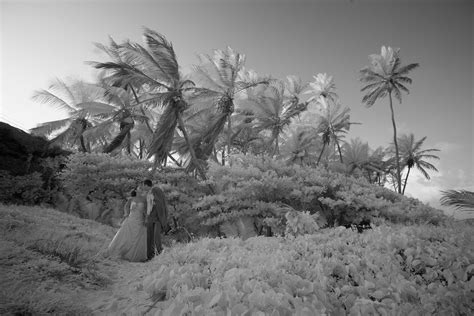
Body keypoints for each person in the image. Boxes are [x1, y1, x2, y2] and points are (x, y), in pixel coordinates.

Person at [106, 186, 148, 262]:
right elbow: (126, 207)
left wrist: (145, 219)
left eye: (142, 189)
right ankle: (122, 252)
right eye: (139, 188)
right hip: (131, 219)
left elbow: (146, 210)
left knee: (137, 238)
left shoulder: (144, 200)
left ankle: (133, 256)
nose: (141, 190)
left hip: (139, 220)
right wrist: (126, 213)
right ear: (136, 190)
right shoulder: (131, 199)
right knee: (125, 236)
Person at [142, 179, 169, 260]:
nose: (143, 187)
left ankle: (161, 254)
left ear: (146, 185)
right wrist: (146, 217)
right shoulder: (147, 194)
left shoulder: (156, 190)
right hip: (150, 218)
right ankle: (150, 256)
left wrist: (162, 218)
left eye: (143, 185)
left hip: (157, 218)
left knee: (156, 236)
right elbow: (148, 207)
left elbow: (161, 203)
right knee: (149, 237)